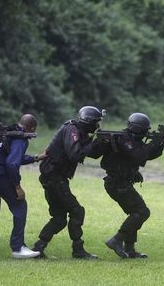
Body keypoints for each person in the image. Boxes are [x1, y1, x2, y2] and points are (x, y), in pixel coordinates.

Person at [89, 112, 164, 259]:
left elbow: (147, 154)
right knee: (142, 211)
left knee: (135, 212)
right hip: (116, 183)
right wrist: (155, 142)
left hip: (120, 182)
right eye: (145, 130)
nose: (147, 132)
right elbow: (140, 155)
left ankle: (129, 249)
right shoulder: (123, 139)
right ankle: (116, 240)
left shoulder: (132, 139)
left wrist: (161, 143)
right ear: (140, 130)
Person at [31, 106, 103, 259]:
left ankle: (38, 248)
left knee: (59, 218)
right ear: (88, 121)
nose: (97, 126)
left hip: (54, 177)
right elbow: (75, 154)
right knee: (77, 211)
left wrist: (102, 143)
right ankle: (78, 251)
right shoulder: (72, 130)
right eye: (95, 122)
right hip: (54, 177)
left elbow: (91, 152)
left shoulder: (77, 131)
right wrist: (94, 143)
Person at [0, 114, 46, 260]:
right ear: (32, 127)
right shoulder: (20, 139)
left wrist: (35, 158)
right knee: (20, 205)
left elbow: (11, 157)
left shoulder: (7, 133)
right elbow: (12, 163)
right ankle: (18, 247)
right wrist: (17, 186)